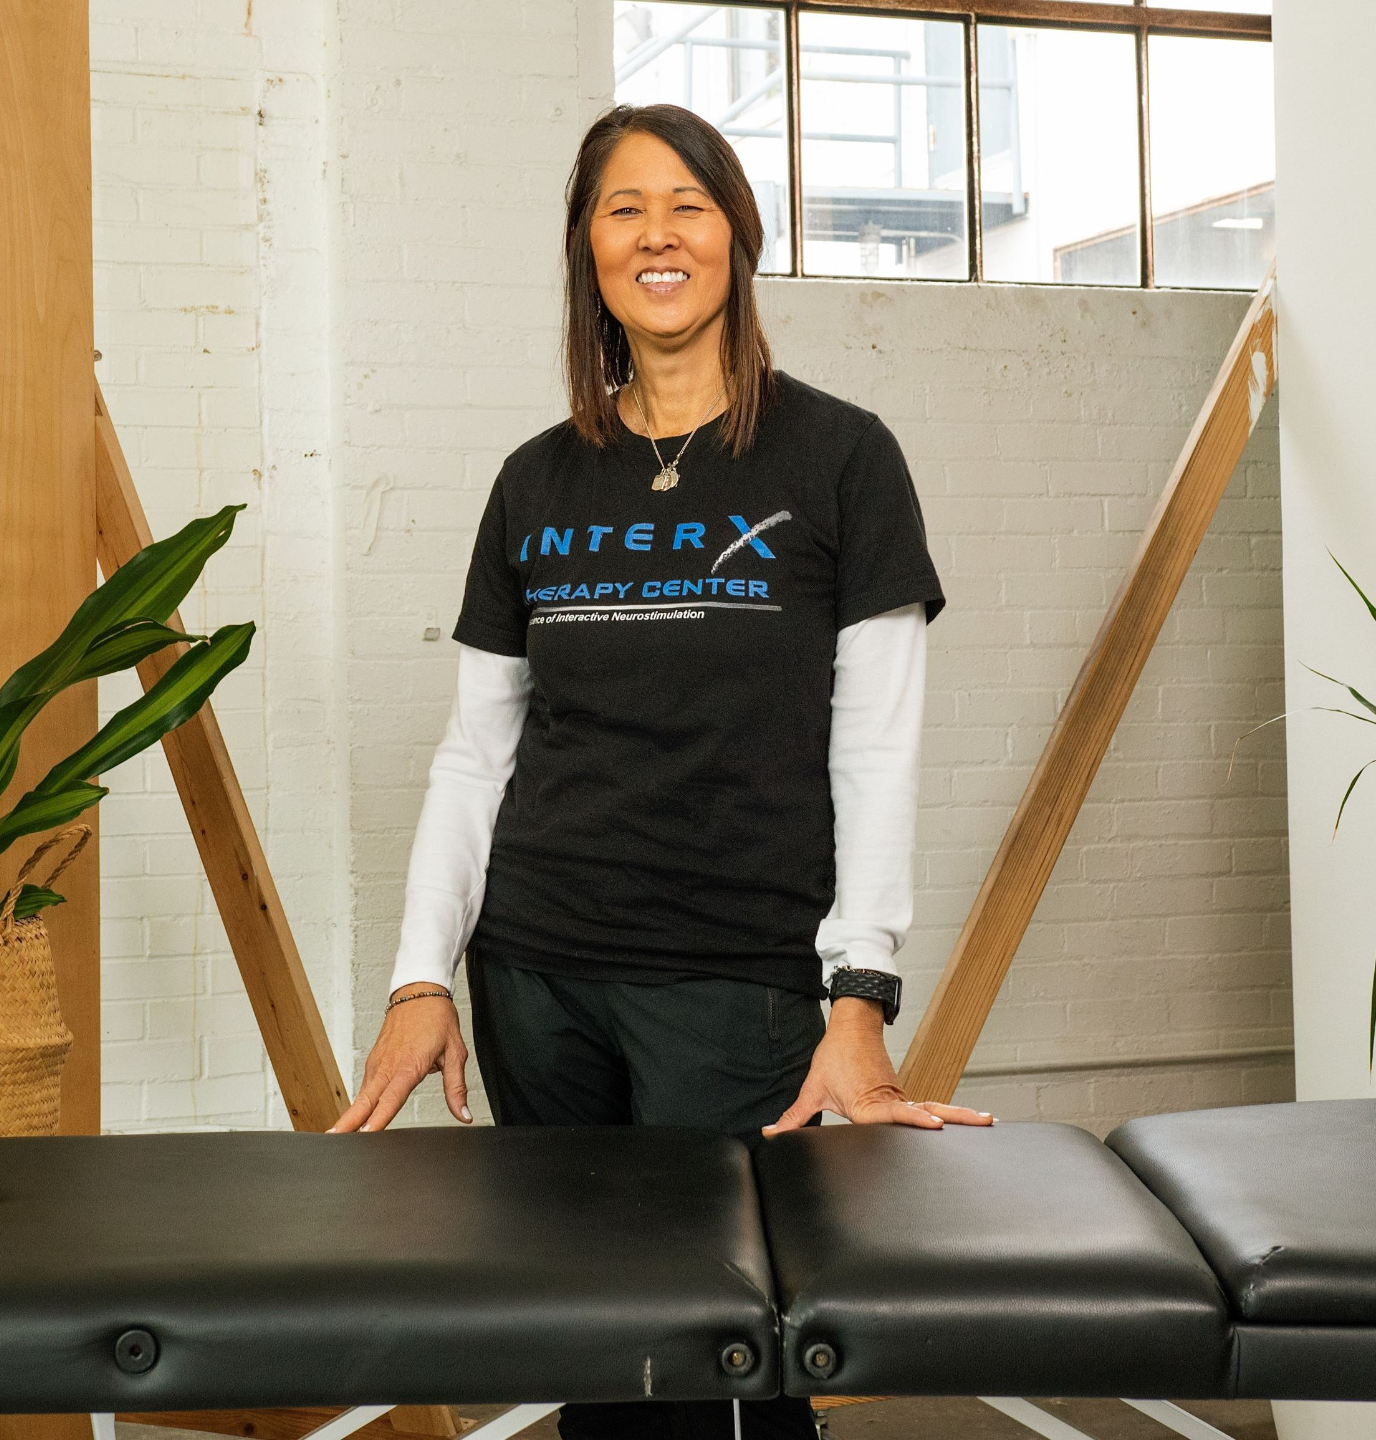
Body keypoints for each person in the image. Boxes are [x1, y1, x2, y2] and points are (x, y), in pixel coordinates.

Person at [331, 103, 994, 1439]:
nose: (658, 235)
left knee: (727, 1376)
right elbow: (477, 755)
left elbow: (876, 747)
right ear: (588, 248)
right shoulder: (535, 481)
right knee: (600, 1361)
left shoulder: (842, 458)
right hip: (538, 980)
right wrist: (421, 977)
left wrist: (859, 994)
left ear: (738, 236)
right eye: (624, 208)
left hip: (736, 989)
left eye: (689, 205)